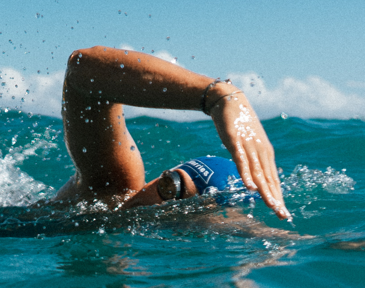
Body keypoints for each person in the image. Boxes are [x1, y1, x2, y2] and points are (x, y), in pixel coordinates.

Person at [51, 46, 290, 220]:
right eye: (167, 183)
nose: (154, 196)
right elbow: (82, 69)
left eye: (171, 194)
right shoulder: (111, 189)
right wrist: (219, 95)